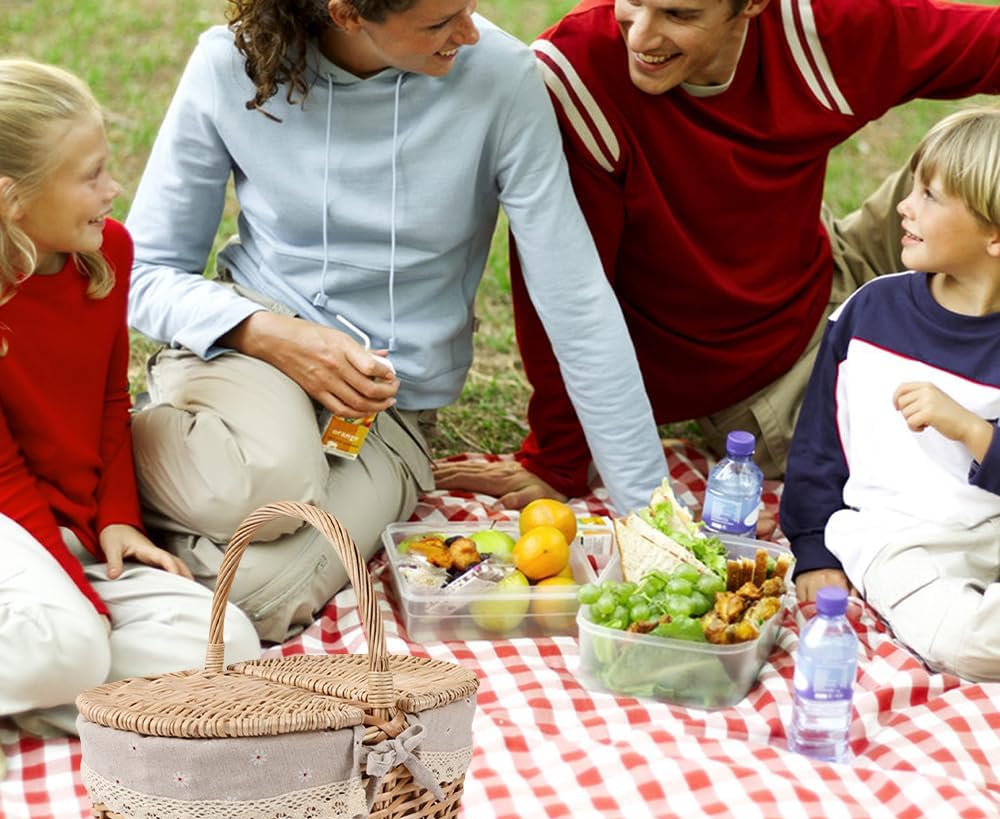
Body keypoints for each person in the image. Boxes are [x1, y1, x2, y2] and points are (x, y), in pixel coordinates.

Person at [125, 0, 668, 643]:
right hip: (254, 350)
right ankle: (112, 450)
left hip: (387, 409)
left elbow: (575, 298)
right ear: (348, 15)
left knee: (257, 598)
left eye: (470, 7)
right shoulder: (231, 66)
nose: (469, 33)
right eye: (441, 23)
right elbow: (143, 272)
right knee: (270, 477)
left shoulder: (500, 76)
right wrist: (271, 334)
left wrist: (652, 520)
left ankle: (142, 531)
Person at [434, 0, 1000, 509]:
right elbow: (564, 291)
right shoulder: (581, 75)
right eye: (632, 2)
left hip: (827, 264)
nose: (642, 35)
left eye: (679, 15)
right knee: (935, 470)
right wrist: (558, 457)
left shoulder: (820, 33)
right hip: (763, 378)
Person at [0, 59, 261, 745]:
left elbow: (112, 404)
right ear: (12, 201)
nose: (114, 190)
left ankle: (37, 688)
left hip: (68, 530)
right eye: (90, 176)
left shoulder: (106, 252)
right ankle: (60, 660)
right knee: (76, 645)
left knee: (230, 643)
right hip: (10, 521)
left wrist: (117, 519)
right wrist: (80, 602)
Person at [780, 106, 1000, 683]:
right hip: (897, 540)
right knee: (968, 643)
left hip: (993, 532)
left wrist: (971, 430)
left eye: (930, 195)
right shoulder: (871, 313)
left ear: (995, 234)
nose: (904, 205)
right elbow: (818, 450)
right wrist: (814, 549)